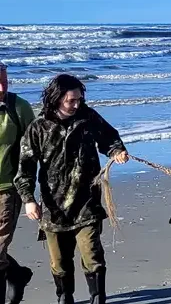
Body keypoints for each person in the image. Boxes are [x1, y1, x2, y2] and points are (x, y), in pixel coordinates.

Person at [14, 74, 129, 304]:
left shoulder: (88, 118)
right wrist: (28, 199)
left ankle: (98, 298)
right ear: (57, 99)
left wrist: (117, 152)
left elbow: (109, 138)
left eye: (80, 99)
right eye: (71, 100)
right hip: (53, 207)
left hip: (87, 203)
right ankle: (64, 297)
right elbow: (24, 169)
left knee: (92, 254)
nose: (77, 104)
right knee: (59, 262)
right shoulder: (38, 128)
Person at [0, 63, 34, 304]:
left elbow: (33, 148)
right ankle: (16, 274)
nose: (2, 87)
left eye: (5, 81)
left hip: (7, 190)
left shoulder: (18, 107)